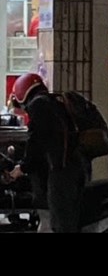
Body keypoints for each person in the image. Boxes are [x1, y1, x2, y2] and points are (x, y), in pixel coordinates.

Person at [7, 72, 87, 233]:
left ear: (22, 93)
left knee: (61, 223)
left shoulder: (38, 105)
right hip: (78, 165)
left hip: (61, 170)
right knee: (71, 219)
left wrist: (22, 167)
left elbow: (36, 141)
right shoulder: (55, 102)